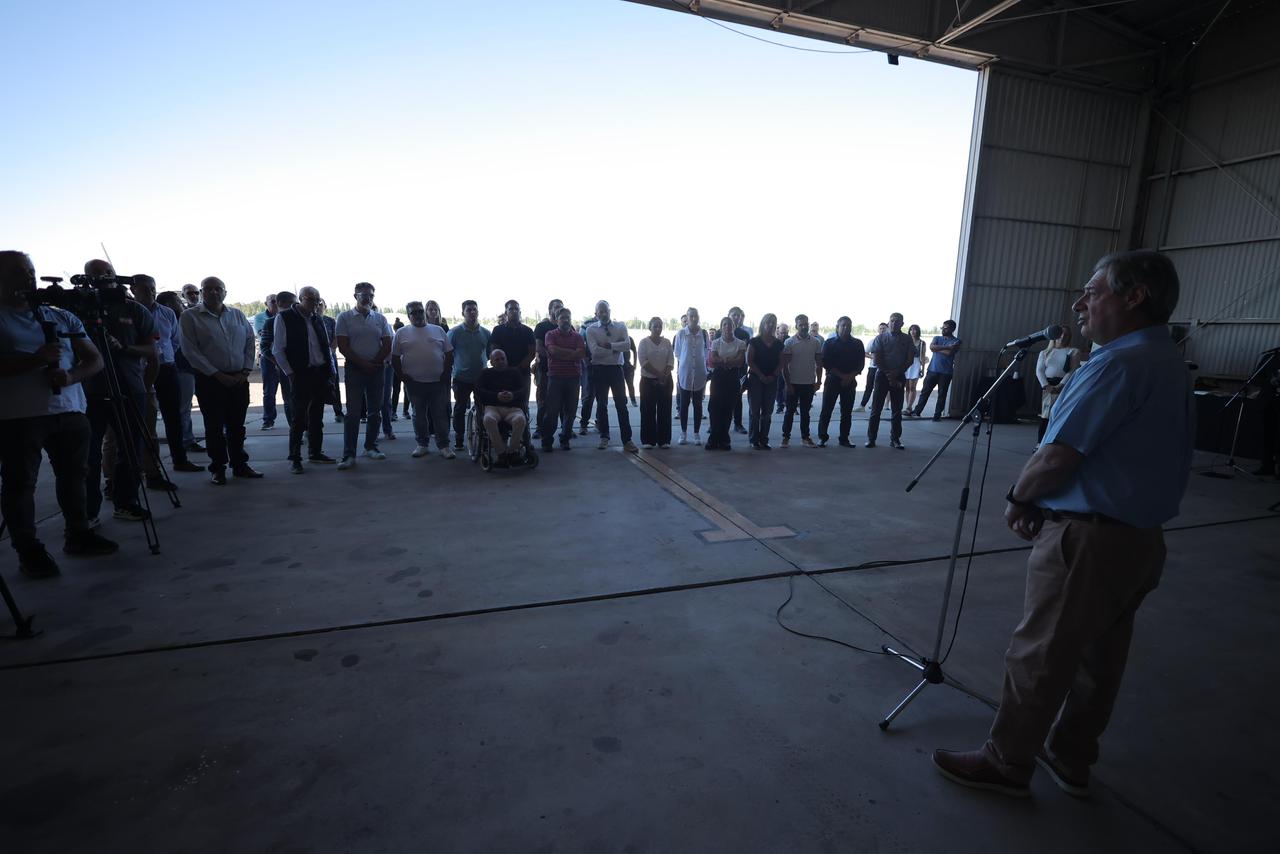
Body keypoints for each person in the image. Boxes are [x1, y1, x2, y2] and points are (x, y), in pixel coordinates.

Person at [933, 250, 1195, 799]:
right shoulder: (1166, 359)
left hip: (1088, 537)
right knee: (1100, 658)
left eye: (1093, 290)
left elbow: (1058, 455)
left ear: (1133, 297)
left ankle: (1006, 763)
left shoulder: (1115, 364)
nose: (1080, 303)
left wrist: (1018, 497)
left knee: (1041, 653)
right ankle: (1071, 755)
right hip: (1140, 539)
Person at [0, 251, 117, 578]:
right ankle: (29, 550)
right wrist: (35, 360)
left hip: (69, 410)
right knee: (20, 485)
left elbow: (94, 359)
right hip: (17, 417)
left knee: (74, 475)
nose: (27, 278)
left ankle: (78, 534)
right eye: (16, 272)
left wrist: (71, 377)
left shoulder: (60, 317)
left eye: (30, 271)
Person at [80, 259, 157, 520]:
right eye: (95, 275)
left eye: (108, 273)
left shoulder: (135, 310)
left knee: (131, 448)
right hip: (89, 392)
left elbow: (150, 350)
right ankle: (88, 511)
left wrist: (122, 348)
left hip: (129, 387)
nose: (103, 278)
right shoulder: (78, 311)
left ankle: (126, 502)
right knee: (87, 454)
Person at [179, 276, 262, 484]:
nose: (214, 292)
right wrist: (217, 374)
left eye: (219, 289)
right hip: (211, 381)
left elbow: (250, 342)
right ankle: (218, 468)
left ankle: (240, 465)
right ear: (201, 292)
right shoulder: (190, 317)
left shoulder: (237, 315)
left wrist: (244, 371)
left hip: (238, 379)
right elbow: (191, 351)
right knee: (214, 427)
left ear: (225, 292)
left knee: (237, 426)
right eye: (209, 289)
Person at [129, 275, 203, 475]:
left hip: (167, 367)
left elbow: (175, 340)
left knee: (174, 416)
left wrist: (164, 354)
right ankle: (144, 467)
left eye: (152, 288)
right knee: (144, 417)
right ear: (133, 290)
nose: (150, 292)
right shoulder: (129, 312)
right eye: (145, 289)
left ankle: (180, 459)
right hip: (140, 369)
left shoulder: (167, 312)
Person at [272, 286, 336, 473]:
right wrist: (290, 373)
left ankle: (315, 452)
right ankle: (295, 458)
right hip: (300, 374)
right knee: (299, 417)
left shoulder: (318, 319)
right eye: (311, 299)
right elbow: (278, 349)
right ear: (300, 299)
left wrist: (330, 372)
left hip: (320, 373)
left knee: (317, 416)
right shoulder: (284, 318)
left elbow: (325, 347)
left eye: (318, 300)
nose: (315, 303)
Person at [335, 282, 393, 470]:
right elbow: (343, 346)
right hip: (354, 369)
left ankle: (371, 446)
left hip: (376, 370)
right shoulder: (344, 317)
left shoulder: (380, 318)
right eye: (364, 295)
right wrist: (363, 364)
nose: (368, 298)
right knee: (353, 413)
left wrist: (374, 363)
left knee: (375, 411)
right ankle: (349, 454)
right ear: (355, 296)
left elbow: (387, 343)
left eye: (371, 295)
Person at [392, 300, 455, 459]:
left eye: (420, 311)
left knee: (440, 415)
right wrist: (401, 376)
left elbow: (449, 353)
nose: (418, 315)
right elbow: (394, 357)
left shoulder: (438, 330)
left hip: (437, 382)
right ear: (408, 315)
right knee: (418, 414)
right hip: (414, 383)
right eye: (414, 312)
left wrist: (446, 373)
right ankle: (422, 444)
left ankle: (444, 446)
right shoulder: (401, 333)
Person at [584, 300, 639, 453]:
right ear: (595, 314)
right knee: (601, 405)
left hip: (616, 370)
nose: (603, 313)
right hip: (599, 370)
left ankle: (627, 440)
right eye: (600, 311)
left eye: (605, 310)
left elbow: (627, 346)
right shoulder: (591, 330)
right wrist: (616, 348)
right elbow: (595, 352)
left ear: (610, 311)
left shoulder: (621, 326)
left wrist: (608, 346)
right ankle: (604, 436)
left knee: (621, 404)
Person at [155, 291, 202, 454]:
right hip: (181, 367)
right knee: (183, 407)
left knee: (183, 406)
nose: (181, 303)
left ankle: (185, 439)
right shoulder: (174, 319)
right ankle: (187, 440)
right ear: (168, 304)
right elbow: (175, 344)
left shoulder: (179, 318)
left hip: (185, 366)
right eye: (177, 300)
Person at [540, 306, 585, 452]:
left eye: (568, 318)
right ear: (556, 320)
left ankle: (565, 439)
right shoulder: (550, 334)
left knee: (570, 411)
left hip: (573, 378)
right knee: (552, 411)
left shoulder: (577, 336)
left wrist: (562, 354)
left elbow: (581, 354)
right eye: (562, 318)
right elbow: (552, 350)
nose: (566, 320)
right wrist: (572, 353)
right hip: (555, 378)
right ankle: (547, 441)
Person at [449, 300, 491, 451]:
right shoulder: (454, 332)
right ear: (463, 313)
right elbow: (447, 354)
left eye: (474, 310)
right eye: (469, 310)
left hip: (481, 378)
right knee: (460, 408)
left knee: (483, 408)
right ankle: (459, 438)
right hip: (461, 378)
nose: (472, 312)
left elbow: (491, 354)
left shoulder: (486, 333)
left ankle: (484, 435)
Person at [866, 314, 913, 449]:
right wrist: (890, 375)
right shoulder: (880, 338)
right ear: (888, 322)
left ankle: (895, 439)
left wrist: (896, 373)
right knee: (876, 409)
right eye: (892, 321)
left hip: (899, 375)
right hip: (882, 375)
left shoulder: (907, 339)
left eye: (897, 322)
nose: (894, 324)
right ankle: (871, 438)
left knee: (897, 410)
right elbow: (877, 359)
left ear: (902, 324)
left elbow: (909, 359)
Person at [818, 317, 866, 448]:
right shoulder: (829, 343)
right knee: (827, 410)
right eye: (843, 325)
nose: (846, 328)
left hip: (850, 382)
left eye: (848, 325)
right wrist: (842, 376)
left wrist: (849, 377)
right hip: (833, 380)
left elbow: (860, 364)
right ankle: (822, 437)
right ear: (837, 326)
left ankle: (844, 438)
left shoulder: (857, 343)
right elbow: (826, 363)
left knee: (847, 412)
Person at [478, 349, 530, 465]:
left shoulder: (515, 372)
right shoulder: (485, 373)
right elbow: (479, 392)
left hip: (513, 408)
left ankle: (512, 452)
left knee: (520, 420)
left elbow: (523, 390)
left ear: (506, 359)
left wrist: (513, 395)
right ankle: (501, 453)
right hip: (493, 407)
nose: (501, 361)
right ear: (491, 362)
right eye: (497, 359)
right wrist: (496, 396)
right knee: (488, 419)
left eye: (503, 359)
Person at [781, 314, 823, 448]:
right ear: (796, 326)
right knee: (789, 412)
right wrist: (788, 384)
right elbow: (784, 366)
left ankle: (805, 438)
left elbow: (819, 364)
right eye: (801, 325)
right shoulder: (789, 342)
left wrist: (818, 381)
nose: (804, 326)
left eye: (806, 324)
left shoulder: (816, 342)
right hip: (793, 383)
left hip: (808, 383)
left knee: (805, 413)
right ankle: (785, 438)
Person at [706, 317, 747, 451]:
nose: (728, 327)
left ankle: (724, 438)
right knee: (714, 407)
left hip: (732, 377)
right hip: (718, 377)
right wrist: (729, 360)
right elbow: (713, 359)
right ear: (721, 327)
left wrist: (723, 360)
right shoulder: (716, 342)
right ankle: (713, 438)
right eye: (725, 324)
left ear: (734, 327)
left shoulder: (741, 343)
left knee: (728, 408)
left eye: (730, 325)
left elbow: (740, 361)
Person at [1035, 326, 1080, 446]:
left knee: (1059, 413)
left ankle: (1054, 442)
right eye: (1061, 334)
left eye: (1066, 335)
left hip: (1064, 385)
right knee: (1046, 414)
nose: (1063, 337)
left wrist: (1061, 385)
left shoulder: (1073, 351)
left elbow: (1072, 370)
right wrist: (1046, 385)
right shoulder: (1045, 352)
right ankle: (1040, 442)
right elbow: (1039, 370)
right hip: (1048, 385)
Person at [745, 313, 783, 450]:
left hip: (772, 381)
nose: (771, 324)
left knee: (767, 412)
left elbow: (781, 362)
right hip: (756, 379)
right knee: (754, 412)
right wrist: (761, 375)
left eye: (773, 322)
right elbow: (749, 361)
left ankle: (764, 439)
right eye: (768, 322)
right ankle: (754, 439)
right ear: (763, 324)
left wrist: (773, 375)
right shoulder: (754, 341)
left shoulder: (779, 343)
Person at [673, 307, 709, 445]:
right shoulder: (681, 333)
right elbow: (677, 353)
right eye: (691, 316)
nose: (694, 318)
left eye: (696, 316)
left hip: (699, 373)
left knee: (698, 404)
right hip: (685, 373)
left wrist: (701, 367)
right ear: (687, 318)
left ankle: (696, 433)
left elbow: (706, 352)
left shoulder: (704, 334)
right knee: (684, 404)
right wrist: (686, 365)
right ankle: (683, 433)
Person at [912, 320, 962, 421]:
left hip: (946, 373)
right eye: (942, 327)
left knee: (942, 395)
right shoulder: (937, 338)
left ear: (952, 329)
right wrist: (947, 347)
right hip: (932, 370)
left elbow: (949, 353)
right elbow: (932, 347)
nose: (943, 329)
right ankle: (917, 411)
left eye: (946, 328)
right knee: (925, 392)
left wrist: (938, 348)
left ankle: (937, 415)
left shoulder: (957, 341)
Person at [637, 317, 674, 449]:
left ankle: (664, 440)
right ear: (650, 327)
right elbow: (643, 362)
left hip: (665, 380)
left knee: (665, 409)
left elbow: (670, 361)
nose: (658, 328)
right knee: (647, 409)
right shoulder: (643, 342)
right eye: (655, 326)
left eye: (660, 326)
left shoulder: (667, 342)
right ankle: (648, 440)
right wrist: (658, 374)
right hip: (648, 381)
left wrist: (664, 375)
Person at [253, 293, 286, 430]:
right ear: (266, 304)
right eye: (272, 301)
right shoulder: (260, 318)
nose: (275, 303)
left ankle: (296, 423)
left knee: (289, 393)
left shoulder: (287, 316)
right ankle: (268, 420)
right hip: (268, 358)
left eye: (277, 301)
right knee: (269, 391)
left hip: (285, 358)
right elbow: (263, 334)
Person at [532, 299, 563, 438]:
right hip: (545, 370)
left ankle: (566, 429)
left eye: (561, 307)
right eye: (556, 307)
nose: (558, 309)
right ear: (550, 310)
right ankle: (539, 428)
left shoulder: (568, 327)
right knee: (543, 401)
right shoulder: (541, 327)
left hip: (564, 371)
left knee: (563, 402)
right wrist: (556, 357)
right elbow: (538, 347)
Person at [1252, 350, 1279, 478]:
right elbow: (1256, 378)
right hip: (1268, 402)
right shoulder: (1270, 357)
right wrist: (1270, 381)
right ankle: (1267, 466)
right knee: (1267, 435)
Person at [316, 298, 343, 423]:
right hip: (315, 359)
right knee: (315, 387)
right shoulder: (309, 321)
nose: (318, 306)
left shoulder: (330, 321)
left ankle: (338, 412)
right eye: (316, 303)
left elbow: (336, 337)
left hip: (330, 357)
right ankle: (317, 416)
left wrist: (331, 350)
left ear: (325, 306)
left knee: (334, 384)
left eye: (320, 304)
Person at [728, 306, 751, 434]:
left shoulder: (745, 334)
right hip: (723, 371)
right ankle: (715, 423)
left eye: (739, 315)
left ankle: (738, 424)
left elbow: (746, 354)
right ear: (729, 316)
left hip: (739, 371)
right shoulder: (721, 332)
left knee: (737, 398)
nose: (737, 317)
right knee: (719, 398)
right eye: (734, 315)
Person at [857, 322, 889, 411]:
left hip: (885, 369)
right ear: (878, 330)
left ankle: (877, 406)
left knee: (880, 388)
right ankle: (862, 406)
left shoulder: (890, 341)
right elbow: (865, 353)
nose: (882, 330)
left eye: (884, 328)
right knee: (869, 386)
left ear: (888, 329)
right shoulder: (873, 341)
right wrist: (874, 357)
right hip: (873, 367)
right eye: (881, 328)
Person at [903, 324, 926, 415]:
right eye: (911, 329)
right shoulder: (906, 341)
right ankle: (908, 406)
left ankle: (909, 407)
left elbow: (923, 357)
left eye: (915, 330)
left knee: (912, 387)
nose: (913, 331)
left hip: (915, 364)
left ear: (918, 331)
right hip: (906, 364)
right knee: (907, 387)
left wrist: (922, 369)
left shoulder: (921, 343)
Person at [774, 321, 790, 414]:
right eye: (782, 333)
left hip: (788, 367)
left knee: (787, 386)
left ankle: (789, 405)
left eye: (785, 332)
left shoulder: (790, 340)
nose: (784, 334)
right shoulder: (775, 342)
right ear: (778, 332)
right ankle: (780, 405)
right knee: (779, 387)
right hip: (778, 368)